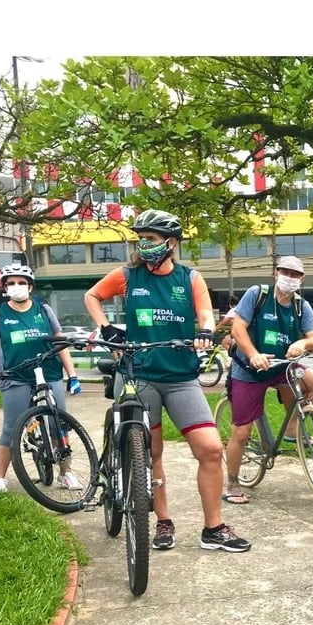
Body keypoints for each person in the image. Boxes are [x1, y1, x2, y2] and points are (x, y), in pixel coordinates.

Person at [84, 209, 250, 553]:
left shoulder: (189, 278)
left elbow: (205, 311)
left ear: (170, 243)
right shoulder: (128, 275)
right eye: (140, 239)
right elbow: (92, 296)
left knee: (210, 448)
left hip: (180, 377)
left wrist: (205, 330)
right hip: (139, 374)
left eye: (151, 239)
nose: (143, 245)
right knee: (151, 452)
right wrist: (106, 328)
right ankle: (162, 521)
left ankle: (213, 527)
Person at [223, 256, 313, 504]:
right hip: (250, 369)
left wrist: (302, 342)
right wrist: (253, 355)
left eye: (295, 274)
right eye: (286, 272)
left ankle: (292, 427)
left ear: (302, 279)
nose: (290, 278)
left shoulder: (301, 306)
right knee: (241, 431)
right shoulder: (257, 294)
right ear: (275, 272)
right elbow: (238, 329)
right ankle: (232, 482)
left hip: (282, 366)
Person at [0, 264, 82, 492]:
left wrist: (72, 375)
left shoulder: (43, 308)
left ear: (30, 286)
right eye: (11, 283)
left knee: (59, 423)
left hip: (49, 373)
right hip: (15, 375)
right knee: (11, 426)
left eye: (22, 282)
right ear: (5, 287)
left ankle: (65, 474)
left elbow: (60, 340)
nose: (17, 287)